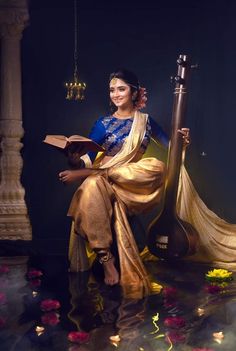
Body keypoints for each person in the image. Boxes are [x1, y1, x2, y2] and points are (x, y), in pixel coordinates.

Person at [58, 68, 190, 299]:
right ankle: (106, 259)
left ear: (134, 92)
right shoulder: (103, 123)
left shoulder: (146, 122)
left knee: (157, 167)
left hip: (130, 183)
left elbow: (172, 150)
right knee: (89, 187)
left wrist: (183, 141)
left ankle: (97, 176)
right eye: (112, 90)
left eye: (121, 88)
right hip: (100, 180)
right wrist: (74, 160)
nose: (116, 94)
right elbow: (88, 159)